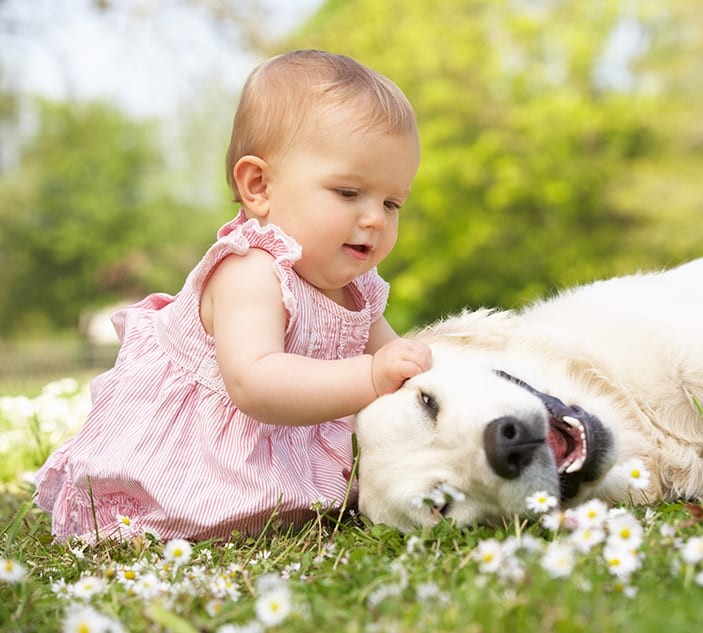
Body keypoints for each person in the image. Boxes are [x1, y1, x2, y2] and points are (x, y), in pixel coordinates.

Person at [34, 50, 432, 542]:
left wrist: (414, 371)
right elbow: (256, 382)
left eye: (392, 202)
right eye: (349, 193)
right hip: (198, 457)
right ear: (258, 185)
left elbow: (397, 361)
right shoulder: (249, 270)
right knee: (166, 518)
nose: (376, 218)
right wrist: (372, 375)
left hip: (281, 449)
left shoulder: (358, 289)